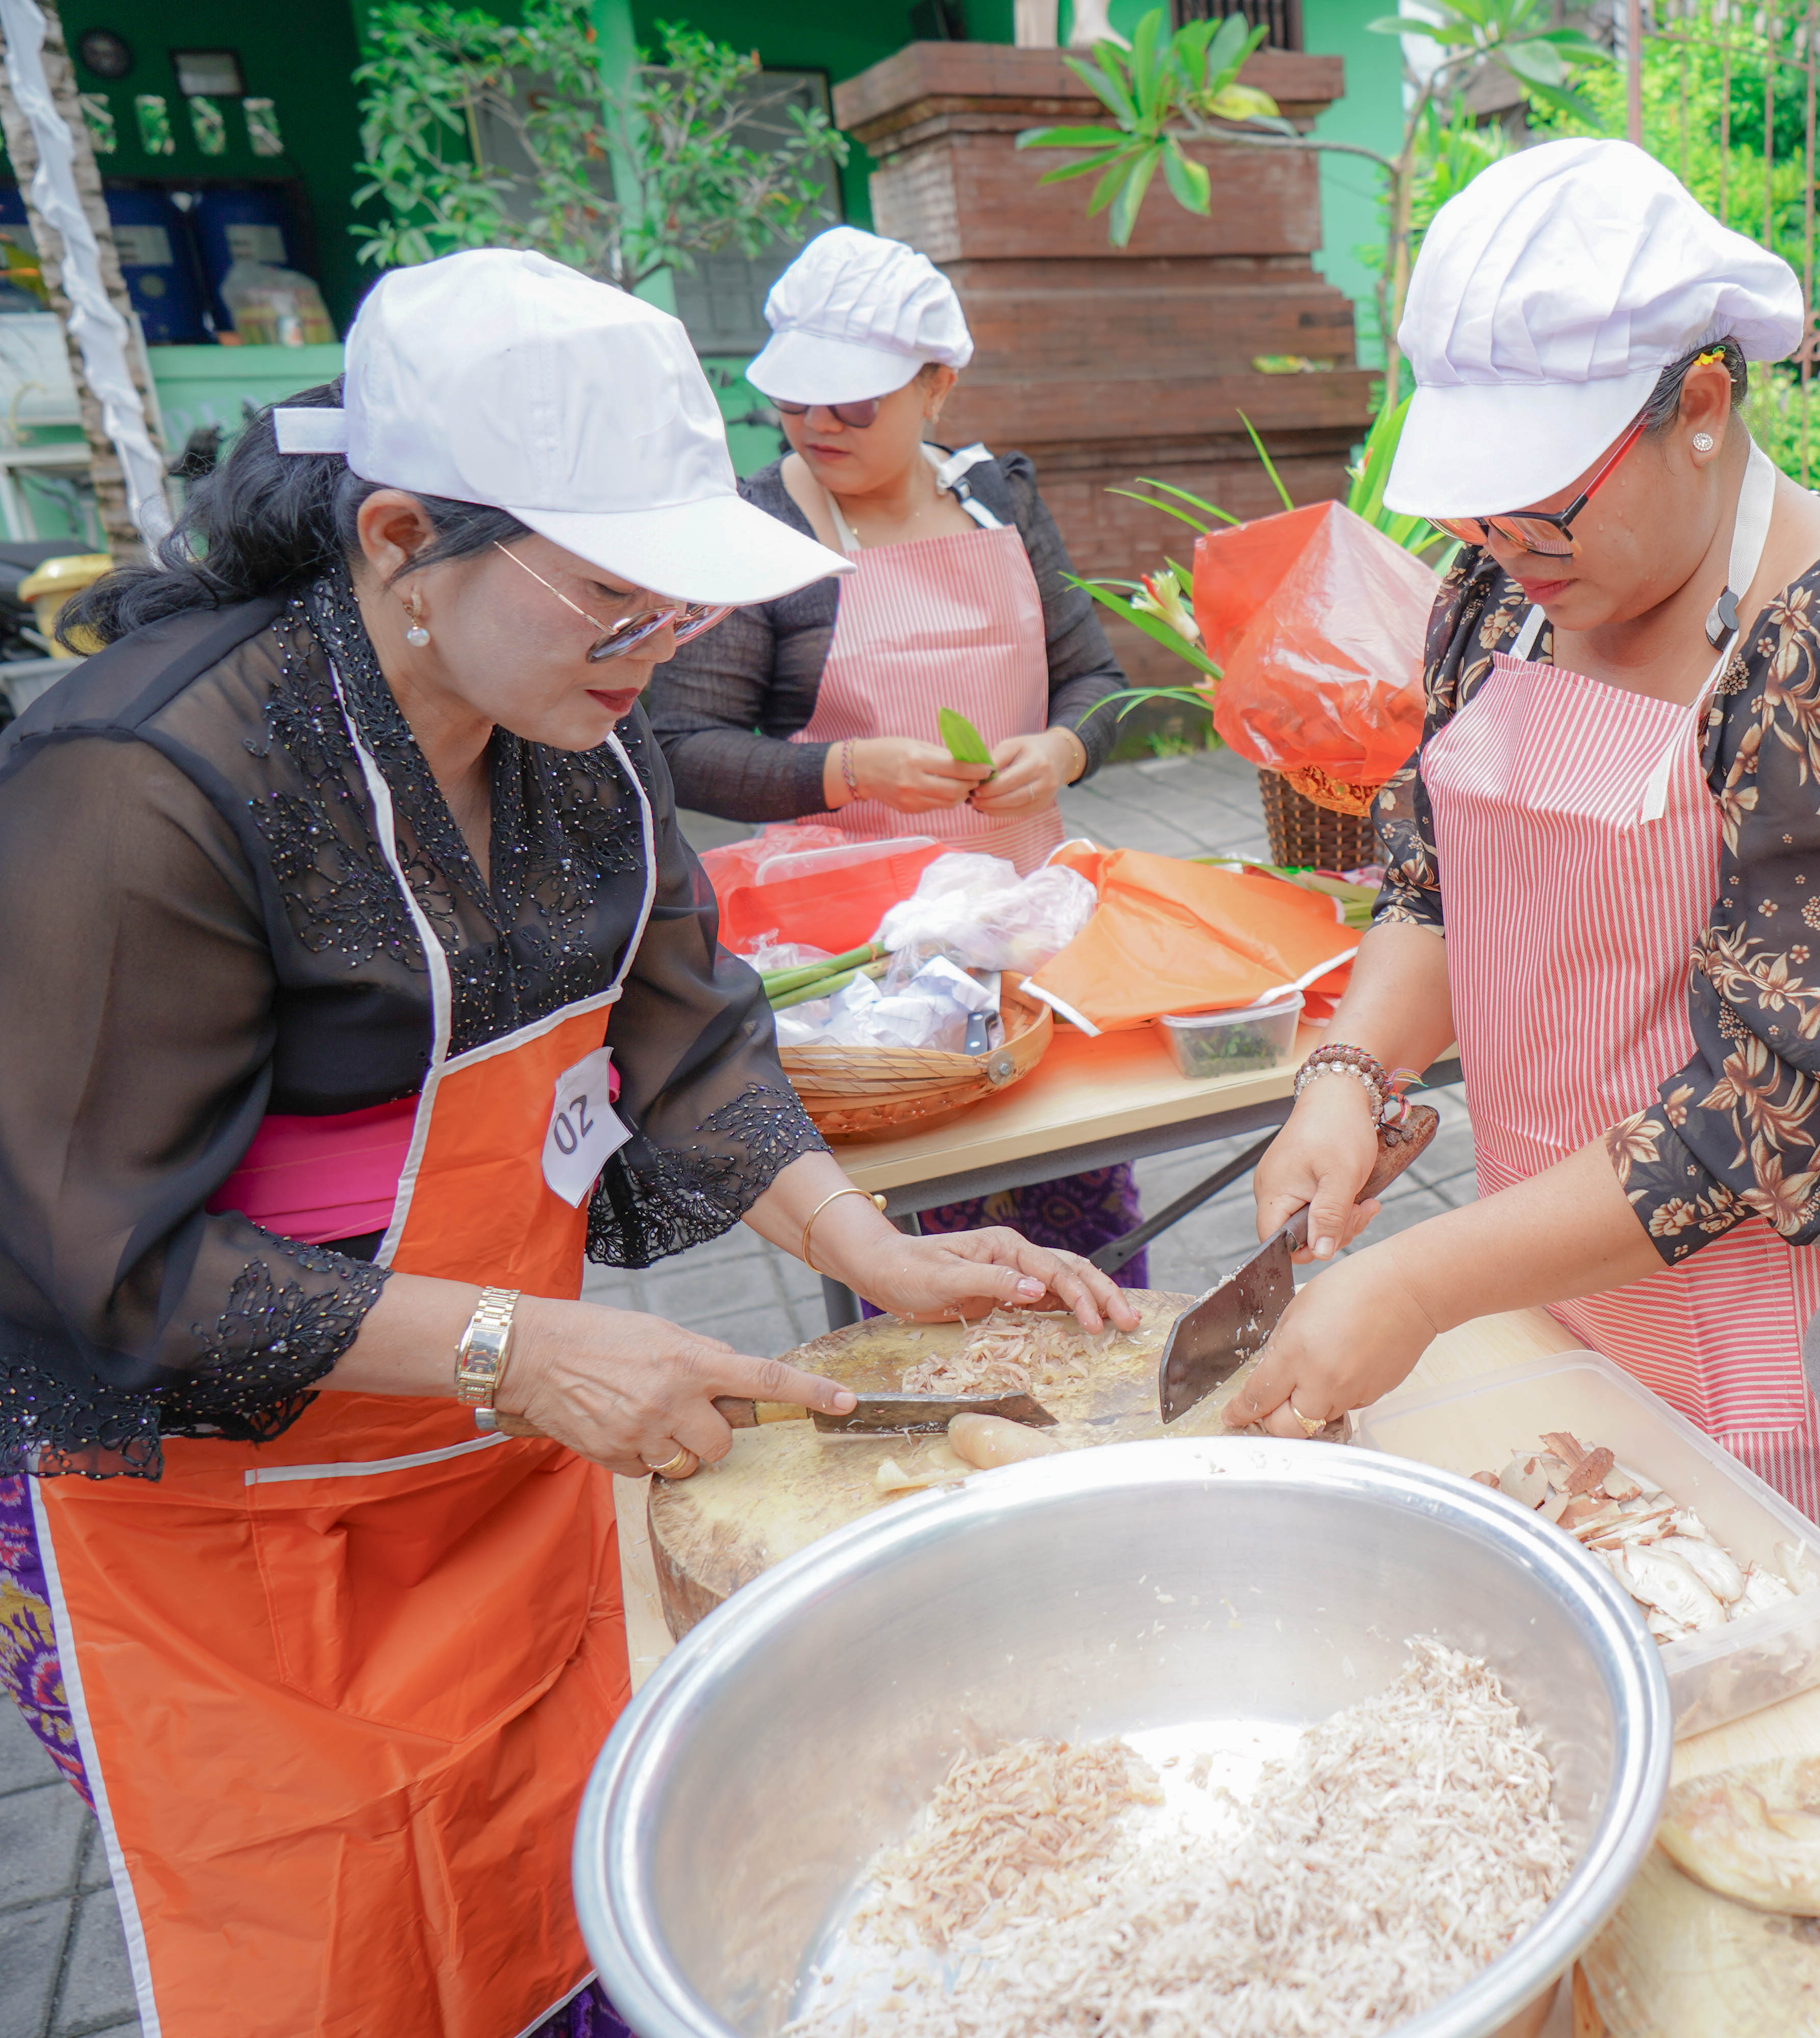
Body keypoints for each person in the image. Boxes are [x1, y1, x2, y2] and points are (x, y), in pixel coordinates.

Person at [0, 249, 1136, 2038]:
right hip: (229, 1527)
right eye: (616, 597)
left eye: (680, 603)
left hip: (503, 1465)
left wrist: (871, 1250)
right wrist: (513, 1346)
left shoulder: (582, 740)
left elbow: (686, 1038)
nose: (663, 651)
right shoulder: (142, 785)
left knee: (555, 1881)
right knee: (329, 1953)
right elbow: (94, 1255)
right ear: (398, 544)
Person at [1220, 140, 1820, 1683]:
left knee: (1816, 1744)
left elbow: (1779, 1112)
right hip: (1564, 1280)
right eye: (1481, 520)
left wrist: (1421, 1280)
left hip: (1805, 1337)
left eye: (1547, 514)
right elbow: (1437, 879)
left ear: (1703, 408)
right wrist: (1347, 1075)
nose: (1508, 551)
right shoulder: (1507, 597)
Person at [654, 226, 1149, 1275]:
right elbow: (675, 743)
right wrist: (843, 771)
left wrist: (1060, 750)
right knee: (925, 1236)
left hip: (1025, 934)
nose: (816, 425)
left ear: (938, 383)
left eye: (854, 404)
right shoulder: (762, 530)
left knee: (1083, 1192)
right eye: (795, 401)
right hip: (860, 971)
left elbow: (1100, 680)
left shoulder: (997, 500)